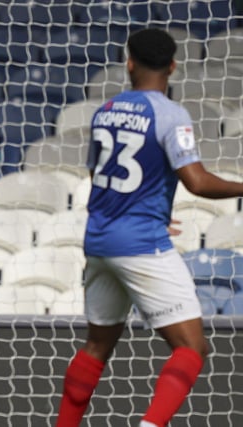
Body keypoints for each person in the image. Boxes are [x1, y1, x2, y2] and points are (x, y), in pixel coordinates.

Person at [55, 27, 243, 427]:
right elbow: (197, 181)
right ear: (173, 66)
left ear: (129, 63)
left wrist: (147, 208)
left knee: (96, 346)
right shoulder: (171, 114)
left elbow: (97, 173)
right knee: (191, 347)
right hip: (140, 243)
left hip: (100, 240)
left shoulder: (106, 109)